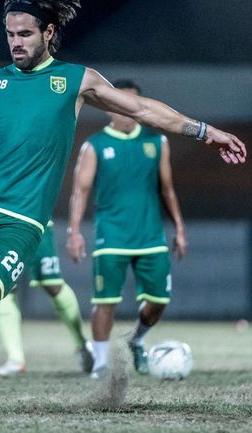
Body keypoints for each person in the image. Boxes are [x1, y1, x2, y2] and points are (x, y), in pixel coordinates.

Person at [0, 0, 246, 415]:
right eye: (9, 34)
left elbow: (141, 109)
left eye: (25, 33)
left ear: (48, 32)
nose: (15, 43)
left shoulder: (76, 80)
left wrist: (204, 131)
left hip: (22, 220)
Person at [66, 79, 187, 379]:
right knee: (105, 302)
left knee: (159, 300)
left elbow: (168, 190)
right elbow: (80, 192)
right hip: (112, 235)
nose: (126, 110)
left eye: (132, 105)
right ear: (110, 108)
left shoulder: (156, 143)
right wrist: (74, 231)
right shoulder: (94, 145)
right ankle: (101, 363)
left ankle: (137, 340)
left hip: (150, 235)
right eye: (120, 103)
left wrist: (180, 229)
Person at [0, 143, 94, 376]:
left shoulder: (27, 124)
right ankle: (16, 359)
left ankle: (82, 344)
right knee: (2, 285)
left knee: (52, 283)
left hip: (33, 216)